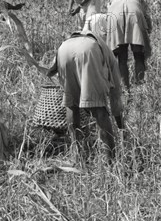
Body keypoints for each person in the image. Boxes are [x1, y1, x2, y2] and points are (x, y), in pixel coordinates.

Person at [46, 30, 124, 162]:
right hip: (88, 51)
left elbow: (51, 70)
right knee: (99, 108)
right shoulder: (106, 53)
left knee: (71, 104)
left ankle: (77, 153)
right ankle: (111, 159)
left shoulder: (75, 40)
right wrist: (121, 126)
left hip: (64, 49)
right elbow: (115, 94)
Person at [100, 0, 152, 89]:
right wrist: (147, 33)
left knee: (121, 58)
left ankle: (125, 89)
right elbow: (147, 18)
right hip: (135, 14)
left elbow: (106, 20)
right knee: (139, 56)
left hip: (115, 16)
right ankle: (140, 87)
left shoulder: (112, 1)